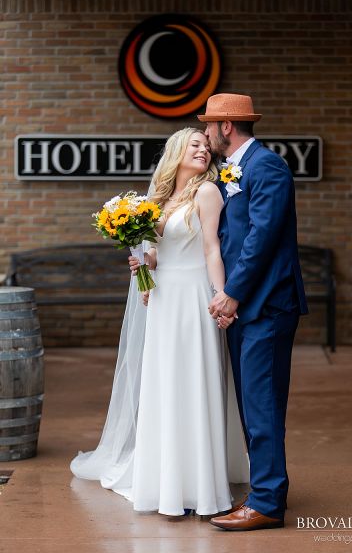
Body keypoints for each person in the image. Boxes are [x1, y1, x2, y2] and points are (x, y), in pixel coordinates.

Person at [71, 127, 250, 516]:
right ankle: (164, 481)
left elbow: (211, 249)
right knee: (165, 383)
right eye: (195, 146)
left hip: (192, 298)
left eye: (206, 146)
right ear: (177, 153)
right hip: (164, 300)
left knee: (194, 383)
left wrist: (221, 297)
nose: (204, 151)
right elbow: (156, 255)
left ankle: (200, 487)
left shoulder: (207, 192)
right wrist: (143, 264)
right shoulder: (159, 200)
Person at [199, 93, 308, 531]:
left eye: (209, 125)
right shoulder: (230, 170)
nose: (205, 133)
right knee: (251, 405)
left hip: (268, 305)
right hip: (246, 309)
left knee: (262, 405)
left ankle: (265, 504)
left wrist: (232, 294)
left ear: (227, 127)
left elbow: (261, 238)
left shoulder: (267, 167)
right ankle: (265, 489)